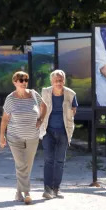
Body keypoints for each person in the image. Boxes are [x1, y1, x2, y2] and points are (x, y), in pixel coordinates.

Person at [0, 71, 47, 205]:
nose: (24, 82)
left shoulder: (33, 94)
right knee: (21, 164)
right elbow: (5, 119)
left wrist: (41, 119)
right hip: (15, 137)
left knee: (27, 165)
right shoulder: (10, 98)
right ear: (14, 82)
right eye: (21, 80)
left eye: (26, 80)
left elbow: (45, 106)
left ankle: (18, 192)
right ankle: (26, 192)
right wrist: (2, 136)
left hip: (32, 137)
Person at [39, 70, 78, 199]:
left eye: (61, 80)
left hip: (64, 132)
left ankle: (56, 188)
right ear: (51, 81)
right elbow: (41, 108)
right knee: (49, 160)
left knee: (60, 161)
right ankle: (48, 189)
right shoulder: (45, 92)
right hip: (48, 131)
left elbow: (73, 111)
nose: (58, 83)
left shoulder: (71, 94)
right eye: (56, 80)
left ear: (64, 81)